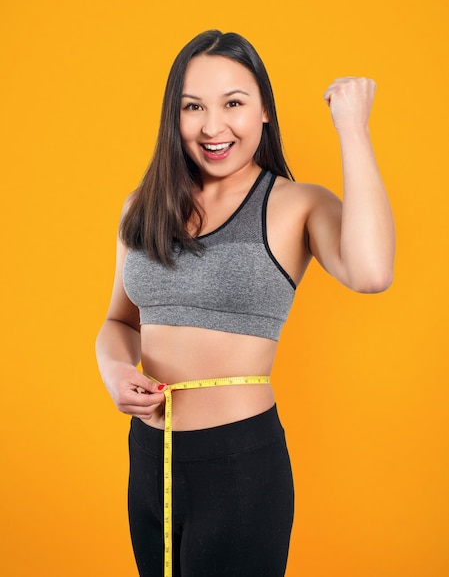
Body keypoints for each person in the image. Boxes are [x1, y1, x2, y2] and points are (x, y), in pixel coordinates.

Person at [95, 30, 395, 577]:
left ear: (264, 113)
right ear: (174, 116)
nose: (213, 127)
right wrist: (114, 370)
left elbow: (372, 273)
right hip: (150, 461)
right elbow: (120, 320)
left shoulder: (296, 204)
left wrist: (352, 128)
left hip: (239, 468)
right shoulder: (141, 206)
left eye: (234, 103)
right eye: (193, 107)